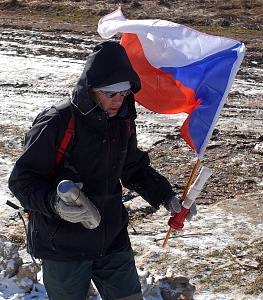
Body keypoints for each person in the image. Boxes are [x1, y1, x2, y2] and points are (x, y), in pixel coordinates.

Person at [8, 41, 197, 300]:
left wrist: (167, 197)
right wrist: (55, 203)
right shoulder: (57, 121)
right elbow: (22, 181)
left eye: (125, 93)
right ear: (92, 89)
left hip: (111, 238)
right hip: (62, 245)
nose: (119, 100)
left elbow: (133, 168)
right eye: (111, 94)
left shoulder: (122, 121)